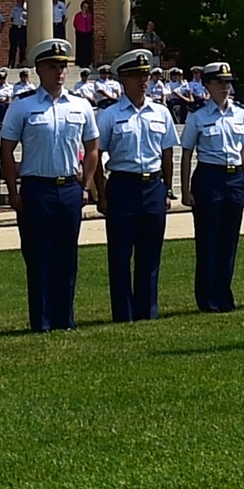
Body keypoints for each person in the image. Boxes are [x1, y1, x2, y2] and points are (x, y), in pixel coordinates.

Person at [0, 38, 99, 332]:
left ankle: (64, 319)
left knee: (67, 257)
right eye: (53, 66)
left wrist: (86, 185)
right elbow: (6, 149)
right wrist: (13, 191)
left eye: (62, 67)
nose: (59, 72)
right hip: (36, 189)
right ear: (39, 69)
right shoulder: (23, 106)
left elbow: (92, 147)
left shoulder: (81, 106)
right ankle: (40, 321)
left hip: (69, 188)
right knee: (38, 256)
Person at [95, 48, 178, 322]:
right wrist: (102, 191)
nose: (143, 80)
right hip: (122, 185)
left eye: (145, 75)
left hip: (153, 186)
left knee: (150, 253)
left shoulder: (161, 112)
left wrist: (166, 188)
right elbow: (97, 154)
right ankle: (123, 313)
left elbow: (167, 153)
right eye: (136, 75)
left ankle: (147, 311)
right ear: (123, 79)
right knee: (120, 256)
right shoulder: (109, 115)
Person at [180, 61, 244, 313]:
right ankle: (207, 297)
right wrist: (186, 190)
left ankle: (225, 294)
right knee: (208, 239)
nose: (225, 87)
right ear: (207, 85)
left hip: (234, 179)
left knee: (229, 240)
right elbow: (188, 152)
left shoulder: (239, 113)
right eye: (220, 82)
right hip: (209, 178)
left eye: (228, 82)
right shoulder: (198, 115)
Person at [8, 0, 27, 69]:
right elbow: (12, 18)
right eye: (19, 0)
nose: (20, 2)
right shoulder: (14, 8)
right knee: (13, 46)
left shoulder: (26, 9)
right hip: (15, 28)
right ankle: (11, 63)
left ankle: (21, 62)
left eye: (22, 0)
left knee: (23, 47)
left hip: (23, 28)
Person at [73, 0, 95, 69]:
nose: (85, 8)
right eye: (84, 6)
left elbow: (91, 23)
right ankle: (81, 62)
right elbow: (75, 23)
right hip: (80, 32)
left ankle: (87, 62)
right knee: (80, 48)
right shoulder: (78, 15)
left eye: (87, 7)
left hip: (88, 32)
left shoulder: (90, 15)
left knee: (87, 48)